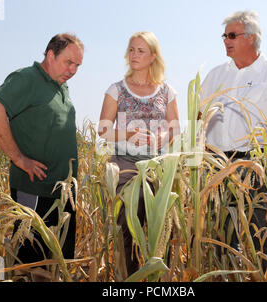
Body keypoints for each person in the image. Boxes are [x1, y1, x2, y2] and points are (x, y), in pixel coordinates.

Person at [200, 11, 267, 272]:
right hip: (217, 165)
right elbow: (197, 118)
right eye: (225, 35)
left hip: (256, 164)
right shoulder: (214, 76)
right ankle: (225, 276)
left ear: (252, 38)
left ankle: (266, 274)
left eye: (232, 35)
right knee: (221, 232)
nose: (226, 40)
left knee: (261, 231)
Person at [0, 33, 83, 276]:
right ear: (50, 55)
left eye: (77, 65)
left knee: (59, 264)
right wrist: (19, 159)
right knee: (31, 263)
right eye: (68, 62)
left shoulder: (61, 87)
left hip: (64, 193)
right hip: (36, 190)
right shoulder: (26, 79)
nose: (73, 70)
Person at [98, 31, 180, 277]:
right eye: (131, 49)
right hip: (124, 167)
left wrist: (160, 138)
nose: (134, 55)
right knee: (126, 230)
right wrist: (128, 135)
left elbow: (175, 128)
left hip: (156, 169)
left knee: (161, 228)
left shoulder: (166, 92)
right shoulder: (117, 89)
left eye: (141, 50)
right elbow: (103, 129)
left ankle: (158, 279)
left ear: (153, 56)